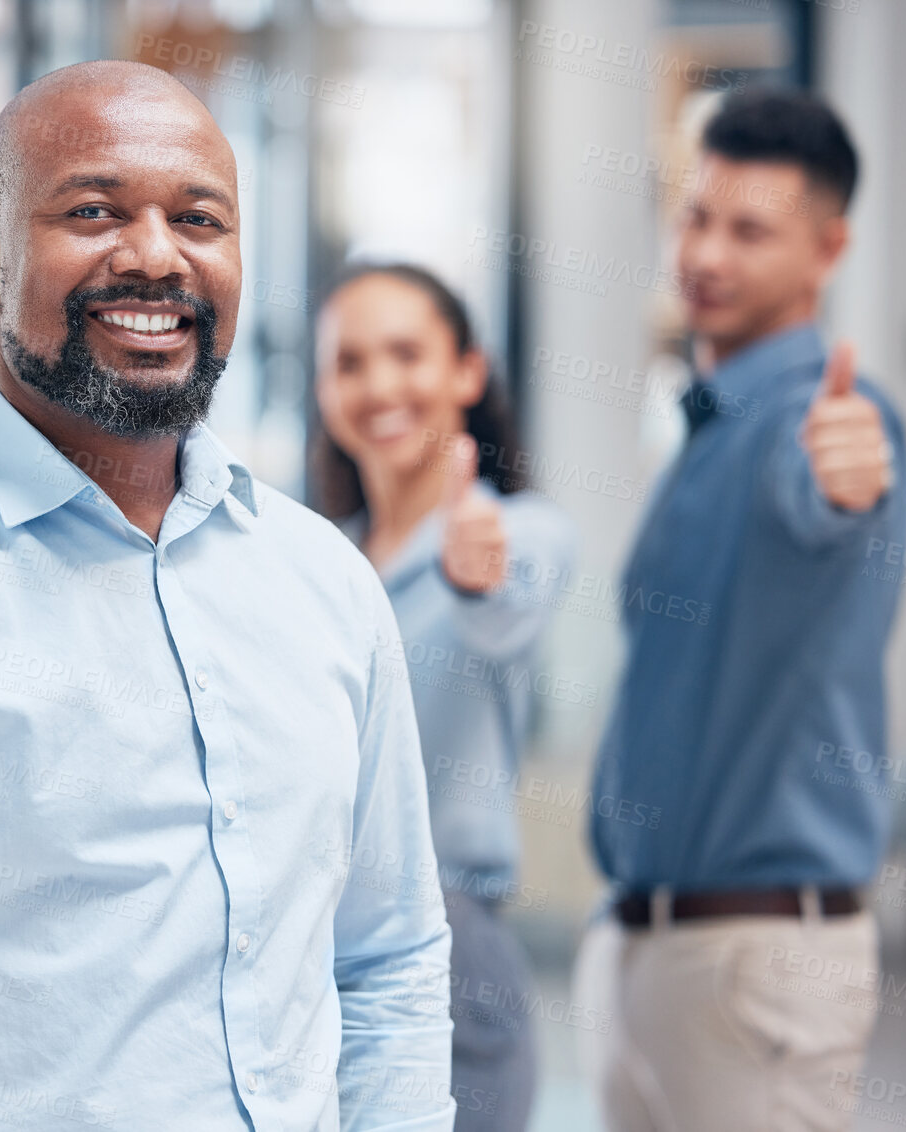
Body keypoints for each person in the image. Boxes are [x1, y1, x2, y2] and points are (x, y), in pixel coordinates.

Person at [0, 60, 453, 1131]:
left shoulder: (321, 579)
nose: (154, 255)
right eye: (94, 210)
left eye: (197, 218)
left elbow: (385, 957)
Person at [578, 88, 906, 1131]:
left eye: (749, 230)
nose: (706, 255)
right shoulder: (709, 422)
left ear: (828, 247)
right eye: (694, 215)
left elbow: (829, 492)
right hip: (646, 950)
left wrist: (845, 480)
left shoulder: (819, 420)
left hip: (758, 965)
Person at [313, 263, 574, 1132]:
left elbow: (509, 606)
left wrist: (478, 575)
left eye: (406, 354)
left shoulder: (517, 532)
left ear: (468, 371)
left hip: (446, 941)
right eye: (349, 363)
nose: (379, 384)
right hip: (317, 946)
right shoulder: (322, 561)